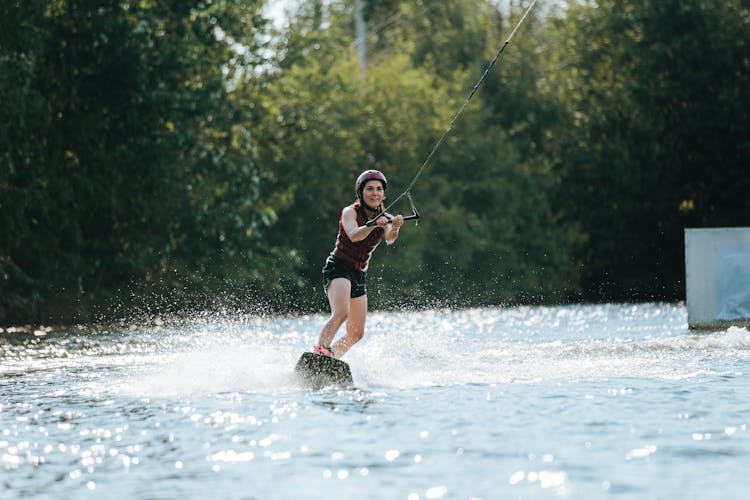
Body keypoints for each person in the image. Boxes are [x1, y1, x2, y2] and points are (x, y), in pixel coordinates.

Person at [313, 170, 404, 358]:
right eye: (369, 189)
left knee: (356, 333)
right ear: (360, 193)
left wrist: (394, 226)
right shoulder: (350, 212)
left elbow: (389, 238)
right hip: (338, 267)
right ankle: (320, 350)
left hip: (359, 273)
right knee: (341, 313)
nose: (374, 193)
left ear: (384, 194)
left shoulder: (385, 217)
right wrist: (373, 224)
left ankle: (331, 357)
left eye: (379, 189)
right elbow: (354, 235)